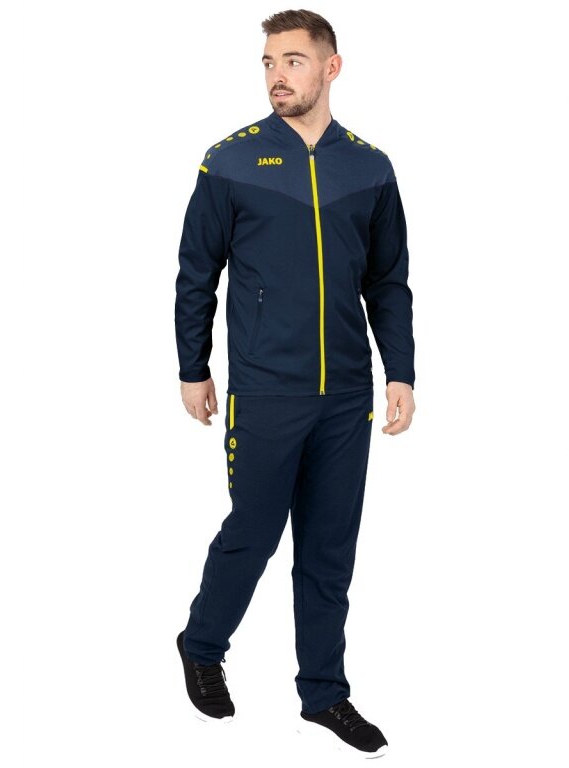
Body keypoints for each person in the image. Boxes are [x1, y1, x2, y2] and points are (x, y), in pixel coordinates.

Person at [174, 8, 415, 758]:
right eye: (269, 63)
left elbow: (388, 282)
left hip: (345, 395)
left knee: (329, 550)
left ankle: (324, 694)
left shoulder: (369, 167)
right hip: (264, 388)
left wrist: (401, 371)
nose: (277, 76)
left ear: (330, 68)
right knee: (252, 532)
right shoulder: (231, 160)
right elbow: (196, 273)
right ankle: (202, 645)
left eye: (293, 61)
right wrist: (193, 367)